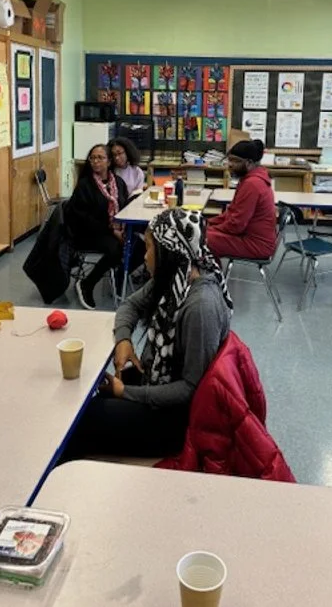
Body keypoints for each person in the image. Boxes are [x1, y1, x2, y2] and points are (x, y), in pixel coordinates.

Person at [62, 208, 232, 459]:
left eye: (150, 248)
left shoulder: (200, 307)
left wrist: (125, 392)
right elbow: (129, 305)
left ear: (169, 252)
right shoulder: (175, 276)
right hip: (156, 384)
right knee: (85, 393)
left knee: (82, 420)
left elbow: (190, 389)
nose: (145, 256)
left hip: (176, 421)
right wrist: (124, 340)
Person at [64, 144, 129, 310]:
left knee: (139, 243)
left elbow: (125, 207)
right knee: (116, 249)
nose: (95, 161)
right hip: (88, 233)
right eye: (92, 158)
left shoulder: (119, 183)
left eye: (100, 158)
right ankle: (87, 284)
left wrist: (122, 229)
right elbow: (83, 218)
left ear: (108, 162)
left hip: (114, 230)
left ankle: (120, 276)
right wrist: (112, 231)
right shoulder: (85, 185)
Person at [206, 139, 276, 260]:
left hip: (257, 244)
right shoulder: (251, 178)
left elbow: (236, 225)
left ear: (249, 163)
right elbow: (232, 213)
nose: (230, 164)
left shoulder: (252, 184)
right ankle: (212, 274)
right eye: (229, 159)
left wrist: (211, 228)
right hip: (250, 237)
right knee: (200, 234)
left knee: (200, 239)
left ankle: (211, 276)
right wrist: (209, 222)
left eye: (235, 161)